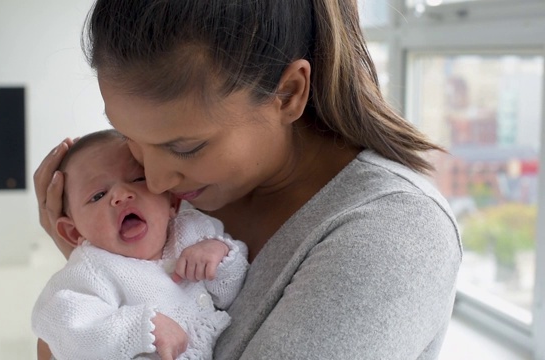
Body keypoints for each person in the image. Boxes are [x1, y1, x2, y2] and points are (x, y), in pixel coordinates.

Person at [33, 0, 462, 359]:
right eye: (131, 139)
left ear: (289, 93)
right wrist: (97, 261)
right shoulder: (180, 197)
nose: (157, 181)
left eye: (185, 148)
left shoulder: (391, 234)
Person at [32, 130, 249, 360]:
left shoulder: (194, 231)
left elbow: (229, 292)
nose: (121, 194)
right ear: (74, 231)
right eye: (97, 195)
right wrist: (141, 328)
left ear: (173, 201)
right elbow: (61, 323)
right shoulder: (91, 269)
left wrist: (219, 254)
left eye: (137, 179)